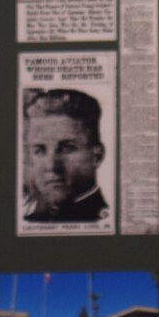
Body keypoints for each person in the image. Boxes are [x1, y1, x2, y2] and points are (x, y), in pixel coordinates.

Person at [21, 88, 109, 223]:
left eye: (68, 148)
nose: (51, 166)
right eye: (39, 150)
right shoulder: (31, 221)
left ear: (97, 156)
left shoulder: (104, 219)